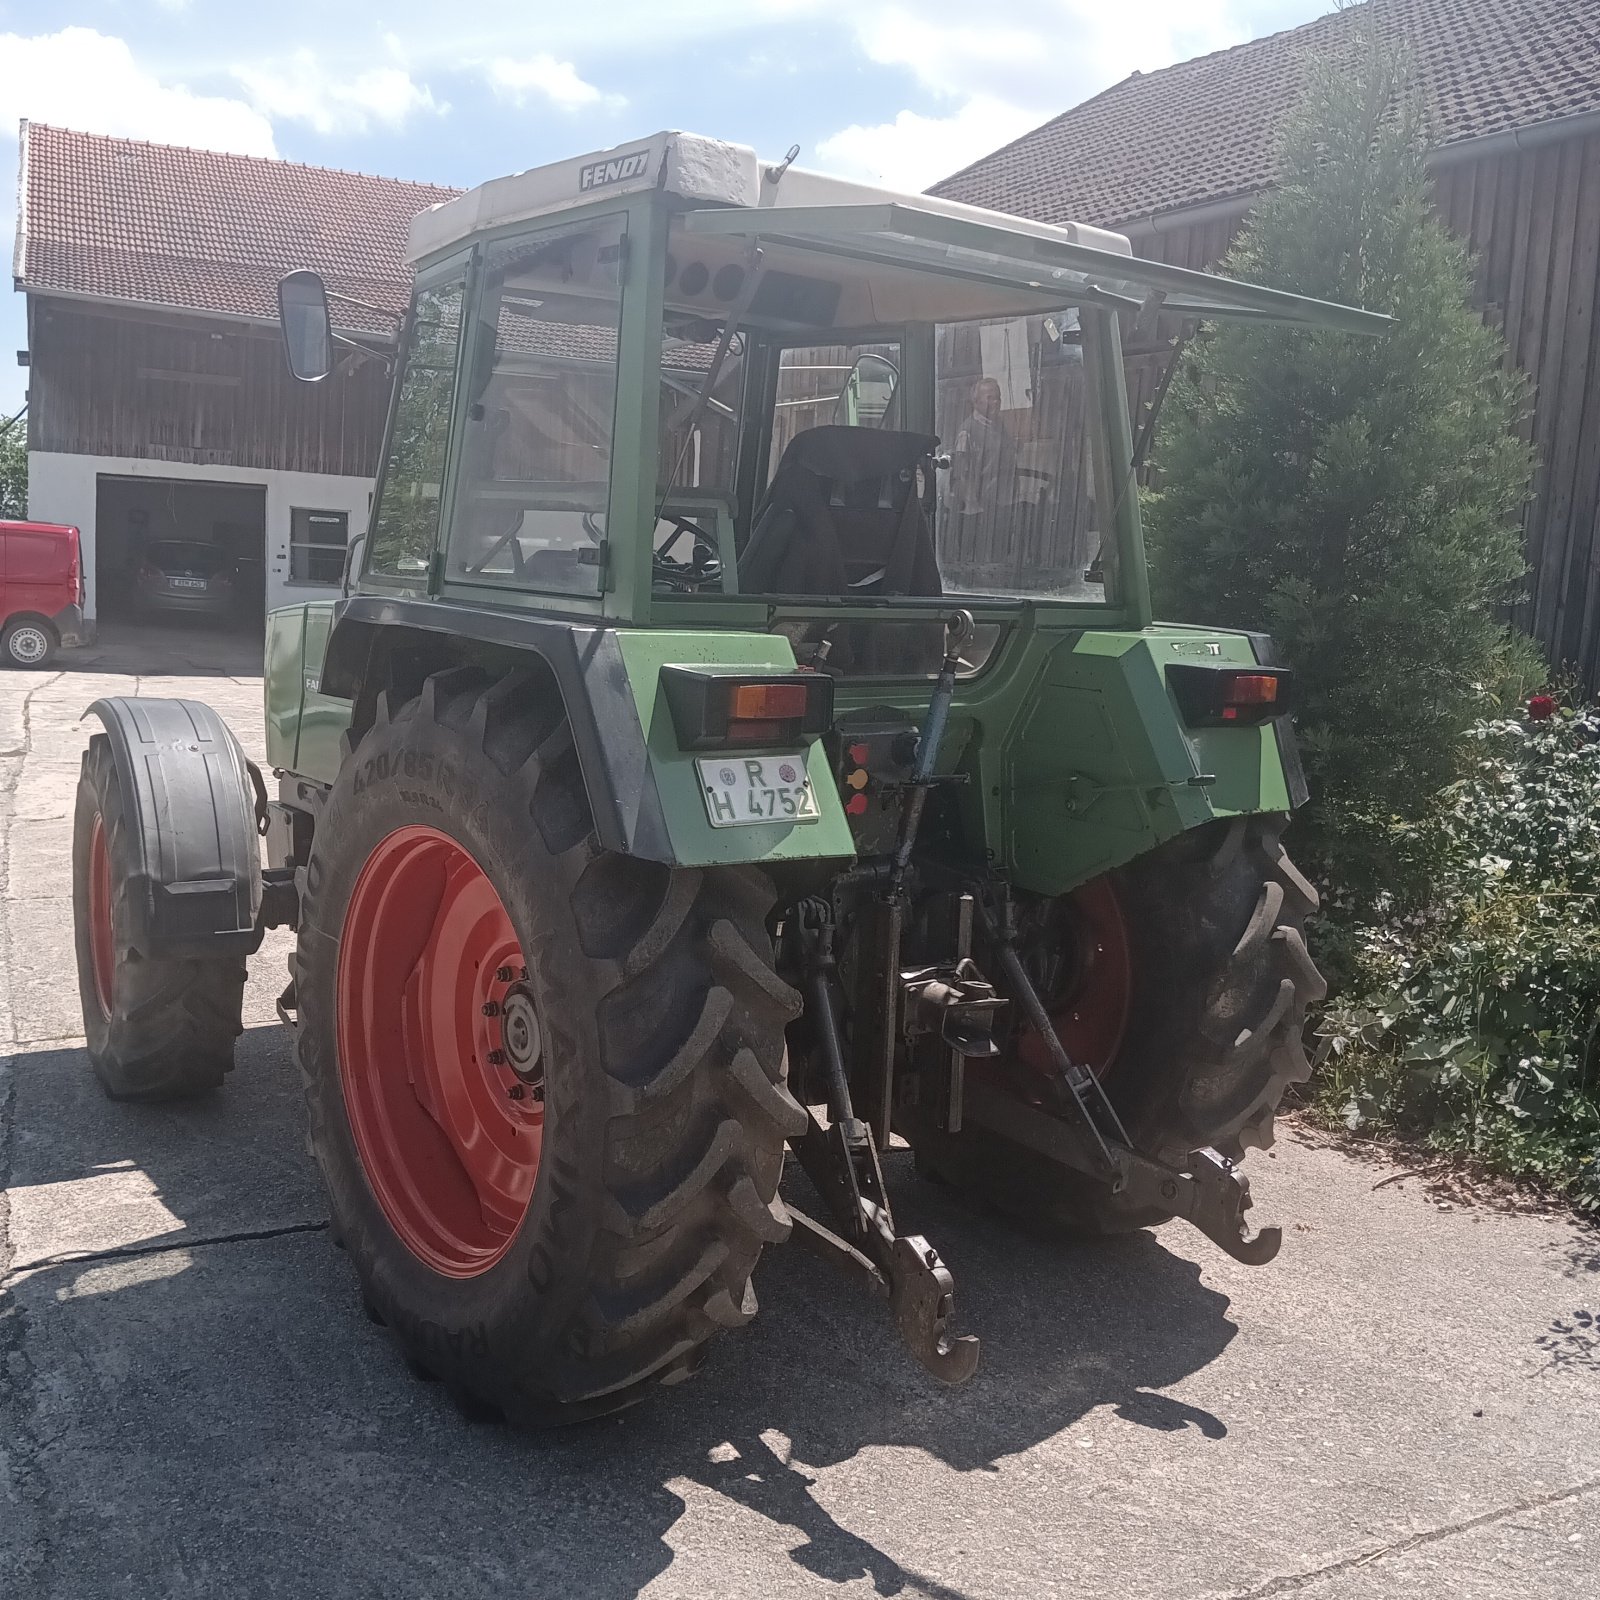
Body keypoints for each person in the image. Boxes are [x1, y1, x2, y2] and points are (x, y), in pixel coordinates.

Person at [948, 377, 1015, 565]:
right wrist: (974, 507)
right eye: (990, 398)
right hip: (980, 511)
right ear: (976, 402)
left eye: (998, 398)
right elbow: (961, 472)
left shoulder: (1000, 427)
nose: (996, 402)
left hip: (1000, 504)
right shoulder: (967, 431)